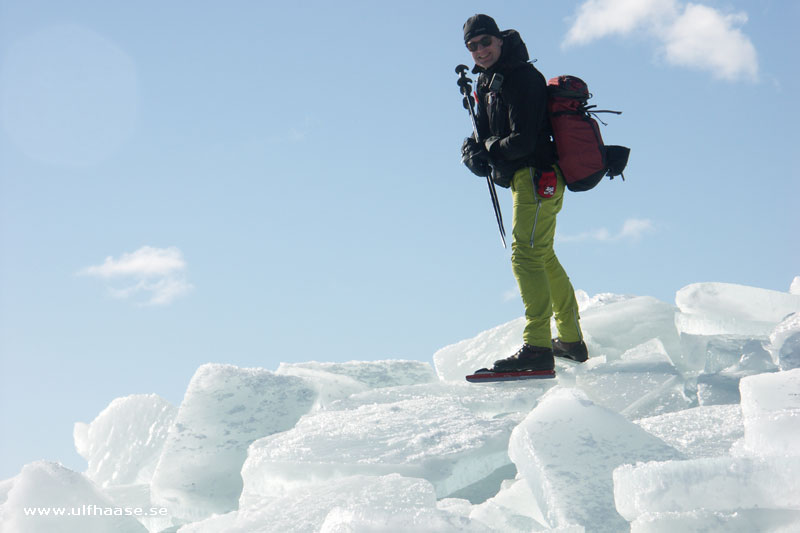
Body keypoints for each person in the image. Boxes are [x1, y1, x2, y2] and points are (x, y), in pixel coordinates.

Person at [460, 14, 588, 372]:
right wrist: (471, 150)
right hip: (526, 178)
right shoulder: (487, 82)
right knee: (542, 256)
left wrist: (488, 149)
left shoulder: (522, 78)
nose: (480, 50)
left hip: (537, 175)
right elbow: (483, 133)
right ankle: (571, 340)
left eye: (485, 42)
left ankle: (537, 348)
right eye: (473, 46)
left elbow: (523, 140)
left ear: (500, 40)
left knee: (525, 256)